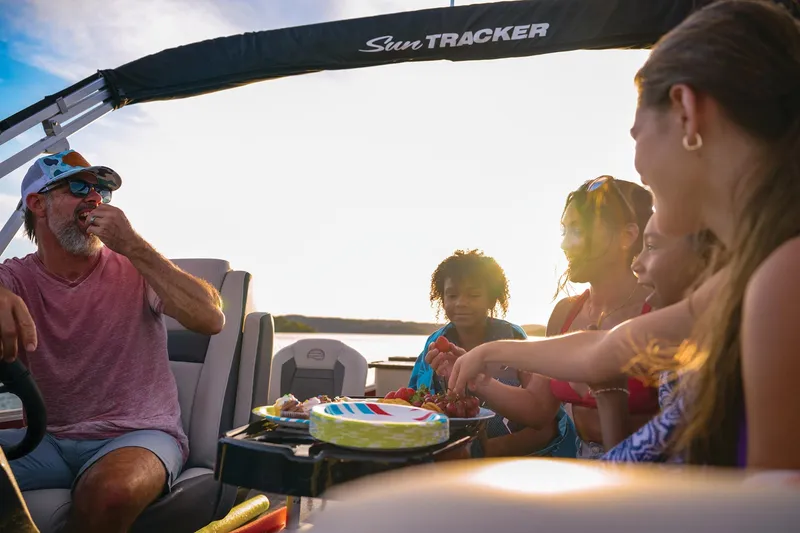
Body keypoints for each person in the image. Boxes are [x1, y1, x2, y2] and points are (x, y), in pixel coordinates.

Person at [449, 0, 800, 470]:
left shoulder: (786, 276)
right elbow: (605, 350)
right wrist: (490, 352)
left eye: (637, 135)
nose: (637, 165)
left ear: (686, 112)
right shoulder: (747, 277)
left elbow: (769, 507)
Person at [0, 150, 225, 532]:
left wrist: (134, 246)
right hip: (41, 438)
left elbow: (210, 318)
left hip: (135, 434)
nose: (94, 198)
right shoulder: (13, 278)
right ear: (37, 203)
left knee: (109, 493)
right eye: (78, 187)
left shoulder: (137, 268)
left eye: (101, 191)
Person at [427, 177, 655, 458]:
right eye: (564, 230)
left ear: (627, 236)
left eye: (578, 230)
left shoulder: (658, 309)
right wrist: (478, 377)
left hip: (649, 472)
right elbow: (537, 408)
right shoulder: (566, 313)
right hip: (582, 470)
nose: (564, 244)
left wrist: (487, 352)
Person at [408, 249, 560, 457]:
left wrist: (484, 453)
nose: (461, 302)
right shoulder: (434, 345)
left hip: (507, 457)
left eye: (474, 295)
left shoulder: (513, 339)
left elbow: (546, 426)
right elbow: (414, 402)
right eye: (452, 295)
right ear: (442, 299)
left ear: (491, 299)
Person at [600, 216, 719, 461]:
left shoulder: (710, 362)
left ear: (706, 257)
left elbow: (627, 466)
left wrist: (609, 396)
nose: (637, 264)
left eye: (652, 246)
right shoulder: (687, 345)